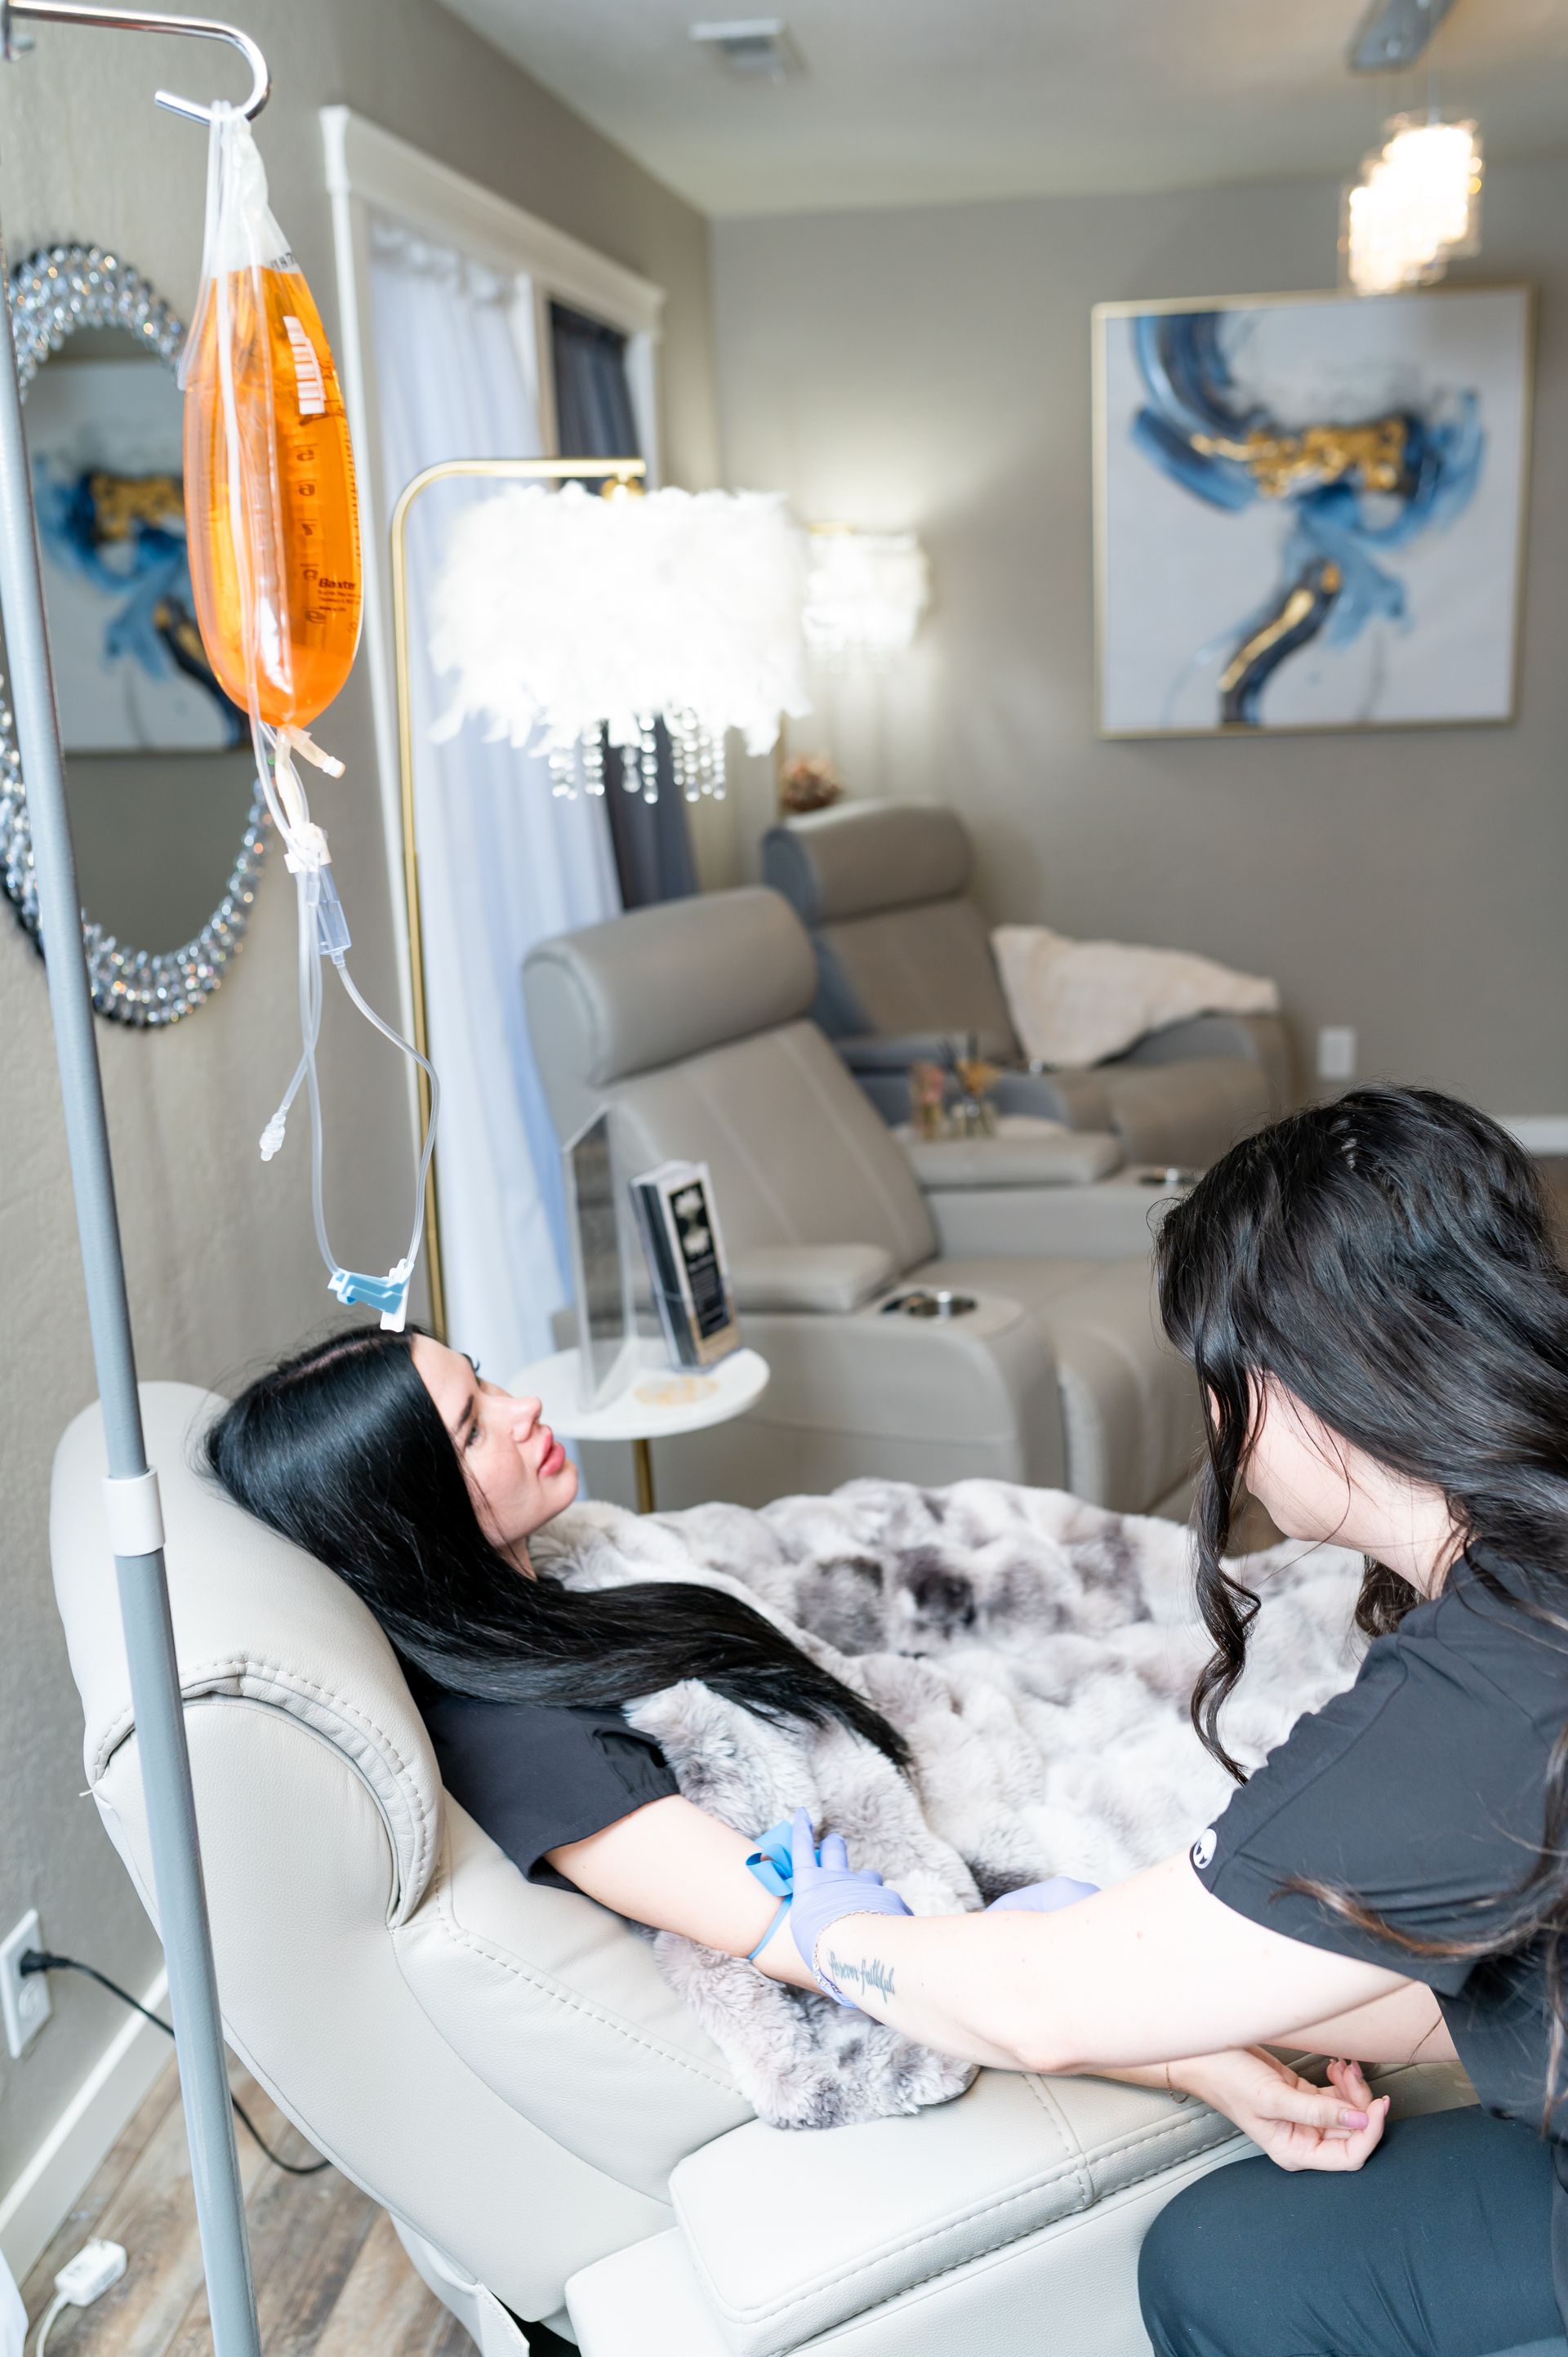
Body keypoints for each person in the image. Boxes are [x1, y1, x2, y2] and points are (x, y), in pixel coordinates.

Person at [781, 1085, 1568, 2357]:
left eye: (1219, 1382)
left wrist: (838, 1935)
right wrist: (1227, 1982)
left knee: (1220, 2275)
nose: (1219, 1429)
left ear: (1304, 1379)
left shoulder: (1484, 1681)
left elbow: (1039, 2008)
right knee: (1239, 2250)